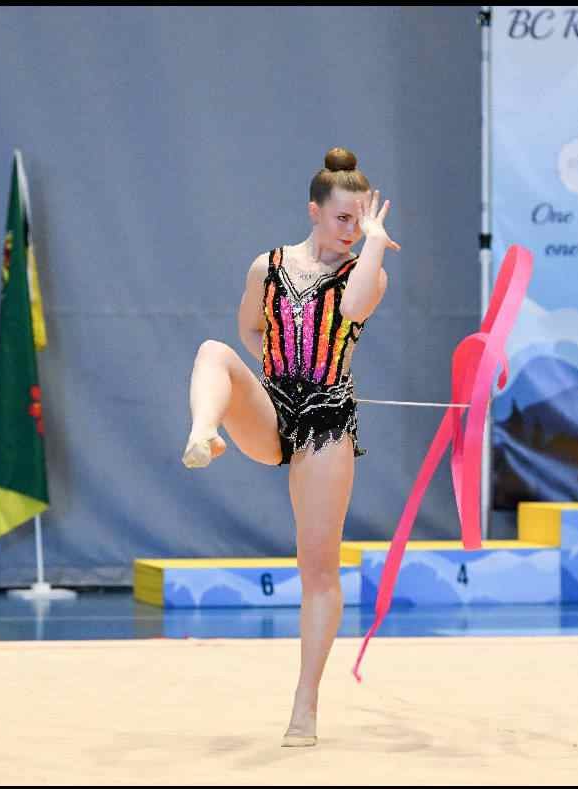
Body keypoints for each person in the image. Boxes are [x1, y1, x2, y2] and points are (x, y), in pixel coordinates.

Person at [181, 146, 399, 746]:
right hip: (273, 406)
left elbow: (353, 306)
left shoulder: (367, 271)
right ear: (314, 211)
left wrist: (375, 243)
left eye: (361, 219)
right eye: (343, 218)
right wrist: (281, 367)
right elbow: (249, 327)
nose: (352, 230)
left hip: (326, 421)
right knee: (212, 352)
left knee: (317, 567)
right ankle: (204, 431)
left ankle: (305, 707)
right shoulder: (268, 266)